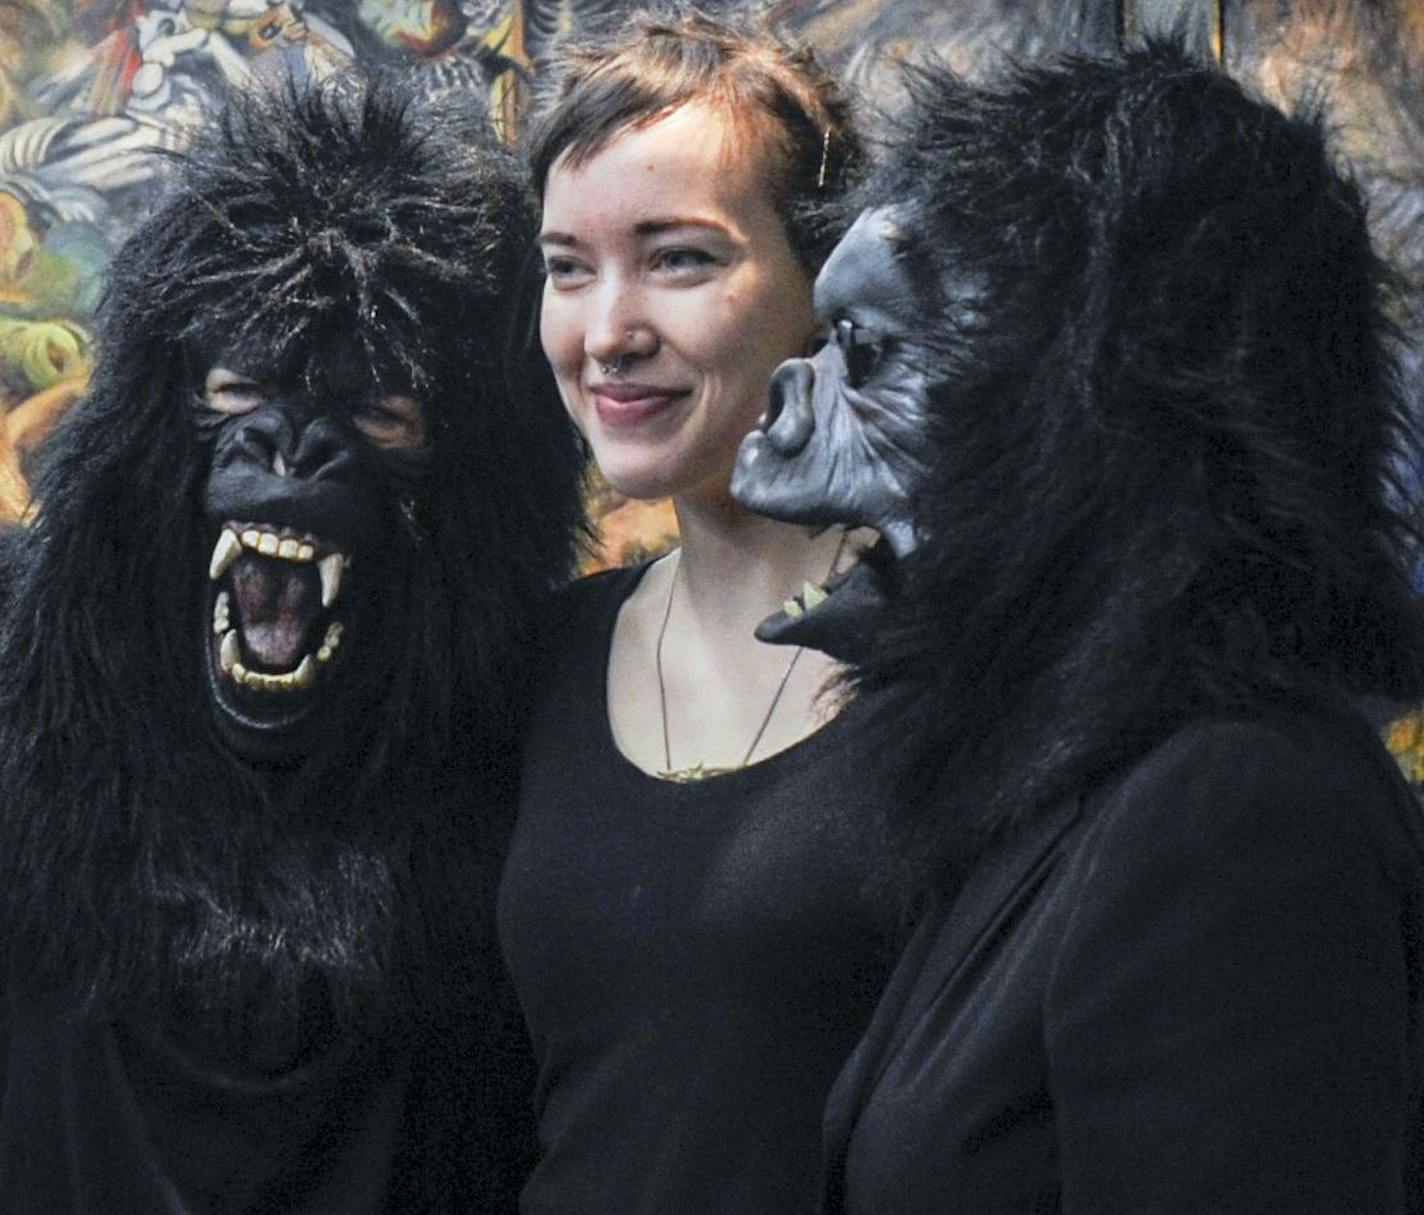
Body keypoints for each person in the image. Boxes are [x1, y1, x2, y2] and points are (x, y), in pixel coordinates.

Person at [728, 43, 1424, 1212]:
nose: (768, 443)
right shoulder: (1071, 793)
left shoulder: (1233, 812)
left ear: (1087, 401)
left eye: (867, 354)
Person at [496, 8, 902, 1212]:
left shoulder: (960, 659)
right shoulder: (540, 662)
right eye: (568, 268)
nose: (606, 333)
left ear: (823, 286)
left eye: (678, 258)